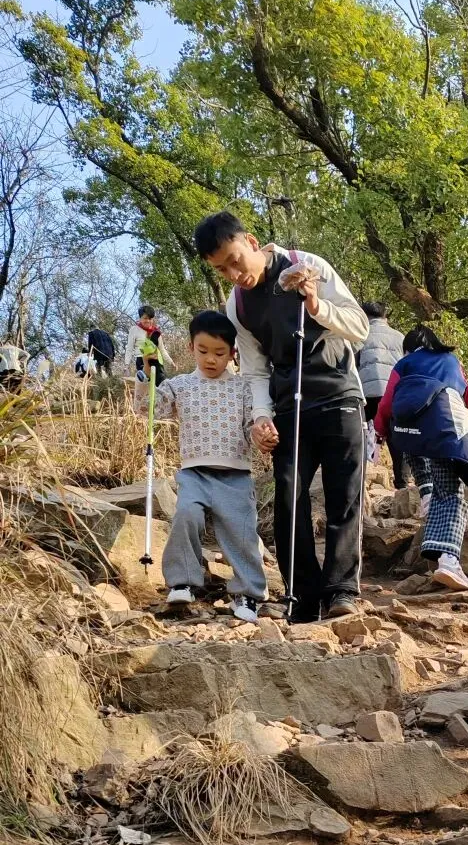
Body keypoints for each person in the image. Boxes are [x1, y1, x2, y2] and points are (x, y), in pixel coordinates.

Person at [193, 210, 370, 622]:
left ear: (251, 242)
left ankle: (342, 591)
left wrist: (316, 305)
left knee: (344, 497)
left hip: (339, 394)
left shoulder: (306, 264)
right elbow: (255, 370)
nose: (234, 274)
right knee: (290, 498)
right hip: (290, 406)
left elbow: (359, 327)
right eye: (221, 270)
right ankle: (301, 599)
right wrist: (260, 417)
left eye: (235, 260)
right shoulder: (237, 305)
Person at [137, 309, 268, 624]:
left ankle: (249, 593)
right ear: (191, 348)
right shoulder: (180, 385)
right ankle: (182, 582)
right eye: (203, 350)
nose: (211, 359)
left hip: (235, 474)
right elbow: (148, 409)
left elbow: (250, 425)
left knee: (241, 531)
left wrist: (260, 433)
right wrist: (147, 370)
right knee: (186, 515)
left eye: (220, 353)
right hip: (194, 472)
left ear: (232, 353)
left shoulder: (242, 387)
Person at [373, 325, 468, 591]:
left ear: (408, 348)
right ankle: (449, 561)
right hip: (444, 426)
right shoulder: (451, 360)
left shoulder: (404, 364)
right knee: (451, 492)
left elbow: (387, 403)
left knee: (419, 453)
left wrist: (379, 431)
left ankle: (427, 498)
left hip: (409, 433)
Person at [357, 300, 408, 478]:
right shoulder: (399, 337)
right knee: (397, 435)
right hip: (394, 393)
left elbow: (353, 365)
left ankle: (364, 474)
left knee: (364, 432)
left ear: (364, 316)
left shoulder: (360, 335)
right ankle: (402, 481)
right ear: (385, 316)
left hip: (367, 393)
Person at [124, 306, 174, 383]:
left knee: (162, 383)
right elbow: (129, 349)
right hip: (142, 361)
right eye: (145, 318)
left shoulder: (156, 332)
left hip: (156, 360)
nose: (147, 321)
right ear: (140, 318)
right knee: (146, 385)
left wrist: (171, 362)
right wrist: (126, 365)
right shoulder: (134, 330)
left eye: (150, 319)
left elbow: (162, 350)